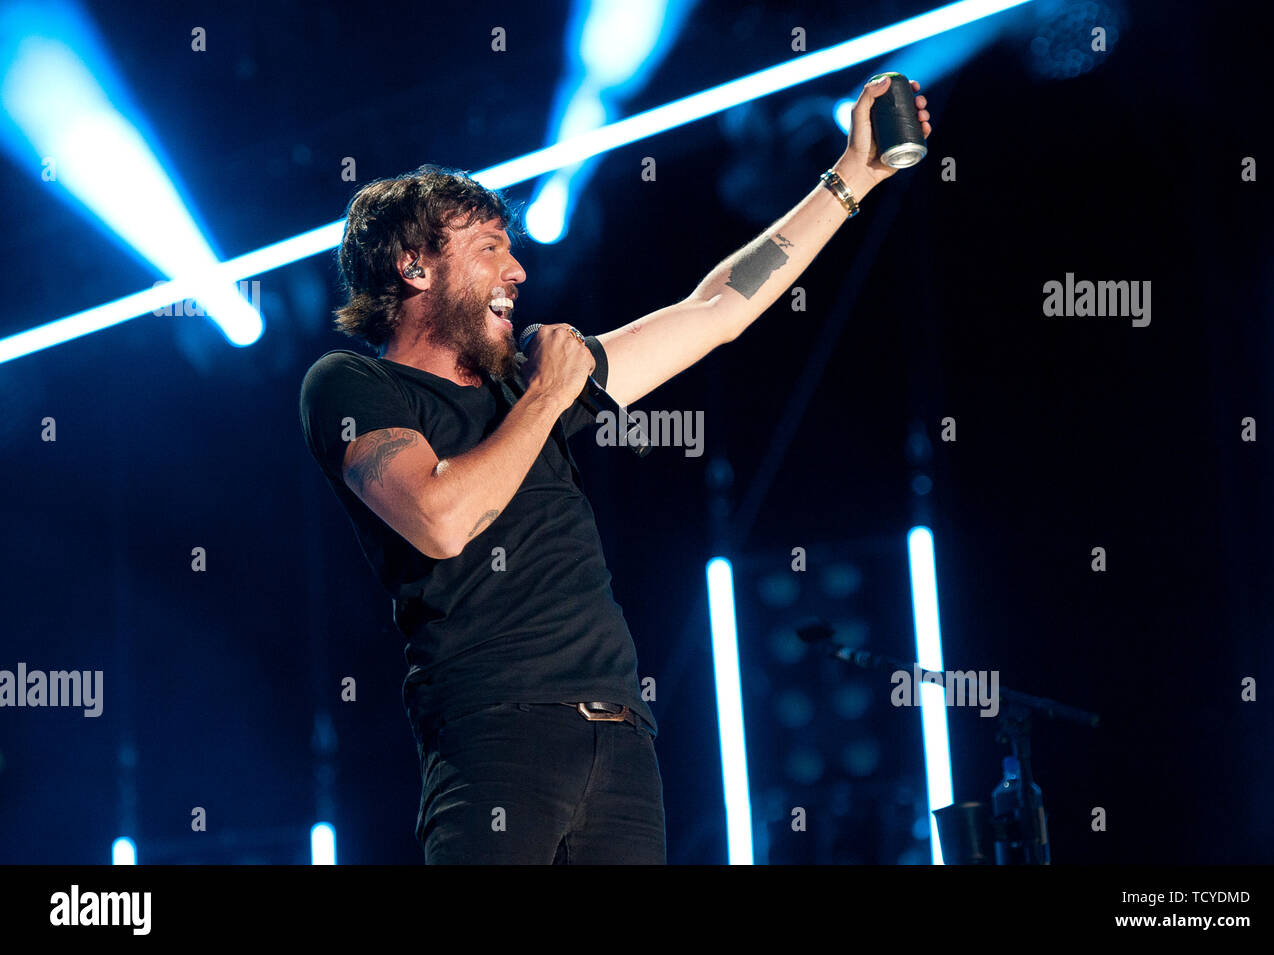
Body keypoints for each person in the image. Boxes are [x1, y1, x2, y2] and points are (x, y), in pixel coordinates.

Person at [298, 76, 931, 864]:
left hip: (623, 742)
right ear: (416, 268)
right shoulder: (354, 384)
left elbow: (716, 310)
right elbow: (440, 516)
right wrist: (548, 396)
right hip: (496, 734)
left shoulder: (530, 382)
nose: (518, 270)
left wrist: (854, 176)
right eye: (489, 247)